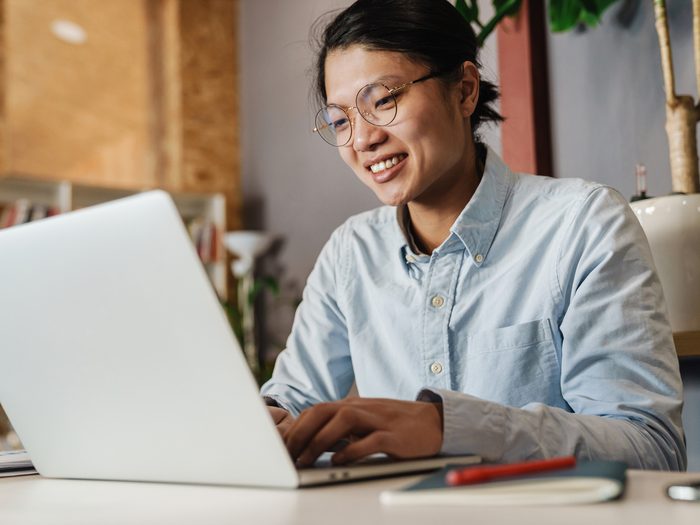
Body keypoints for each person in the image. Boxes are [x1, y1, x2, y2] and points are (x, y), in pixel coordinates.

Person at [260, 0, 686, 470]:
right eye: (341, 120)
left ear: (464, 90)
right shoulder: (350, 254)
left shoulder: (583, 224)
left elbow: (651, 448)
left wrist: (450, 429)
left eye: (382, 100)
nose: (362, 139)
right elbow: (290, 402)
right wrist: (261, 424)